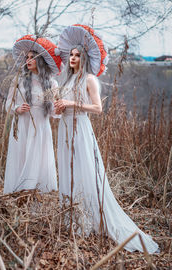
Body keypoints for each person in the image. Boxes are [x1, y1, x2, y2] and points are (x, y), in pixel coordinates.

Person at [54, 25, 159, 254]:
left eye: (77, 55)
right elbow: (64, 104)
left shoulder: (89, 79)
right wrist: (60, 107)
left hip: (80, 128)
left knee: (84, 171)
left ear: (84, 58)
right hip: (65, 128)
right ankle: (73, 218)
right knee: (68, 170)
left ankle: (89, 219)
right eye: (71, 54)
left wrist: (71, 104)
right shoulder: (67, 81)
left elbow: (98, 108)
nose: (72, 58)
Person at [4, 35, 62, 194]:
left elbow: (52, 111)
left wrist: (60, 107)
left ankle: (37, 195)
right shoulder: (18, 80)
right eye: (27, 57)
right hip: (22, 126)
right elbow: (7, 104)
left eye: (32, 58)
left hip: (41, 127)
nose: (28, 60)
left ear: (40, 61)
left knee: (39, 160)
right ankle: (19, 194)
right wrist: (17, 108)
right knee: (21, 158)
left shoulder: (51, 84)